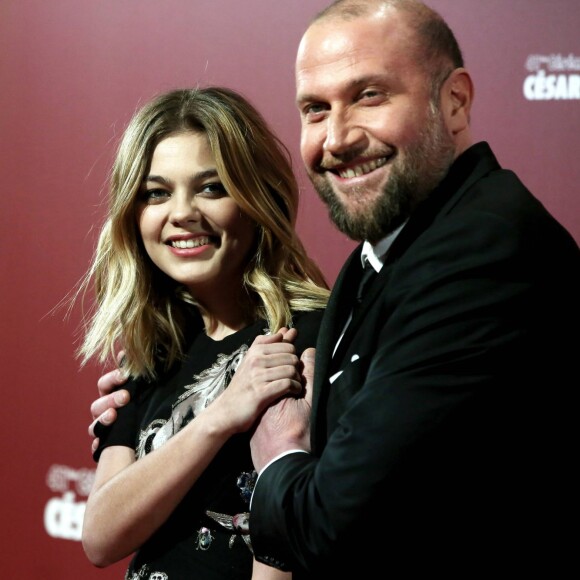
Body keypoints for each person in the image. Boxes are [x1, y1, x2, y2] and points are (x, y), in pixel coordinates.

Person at [91, 0, 580, 577]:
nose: (339, 136)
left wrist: (273, 448)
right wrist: (220, 415)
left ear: (455, 100)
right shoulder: (373, 264)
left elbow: (328, 521)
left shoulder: (479, 253)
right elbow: (101, 538)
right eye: (316, 109)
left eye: (369, 95)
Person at [77, 86, 329, 580]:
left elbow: (285, 551)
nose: (182, 213)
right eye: (157, 193)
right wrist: (222, 415)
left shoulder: (305, 338)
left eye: (211, 188)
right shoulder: (152, 353)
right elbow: (101, 538)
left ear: (259, 197)